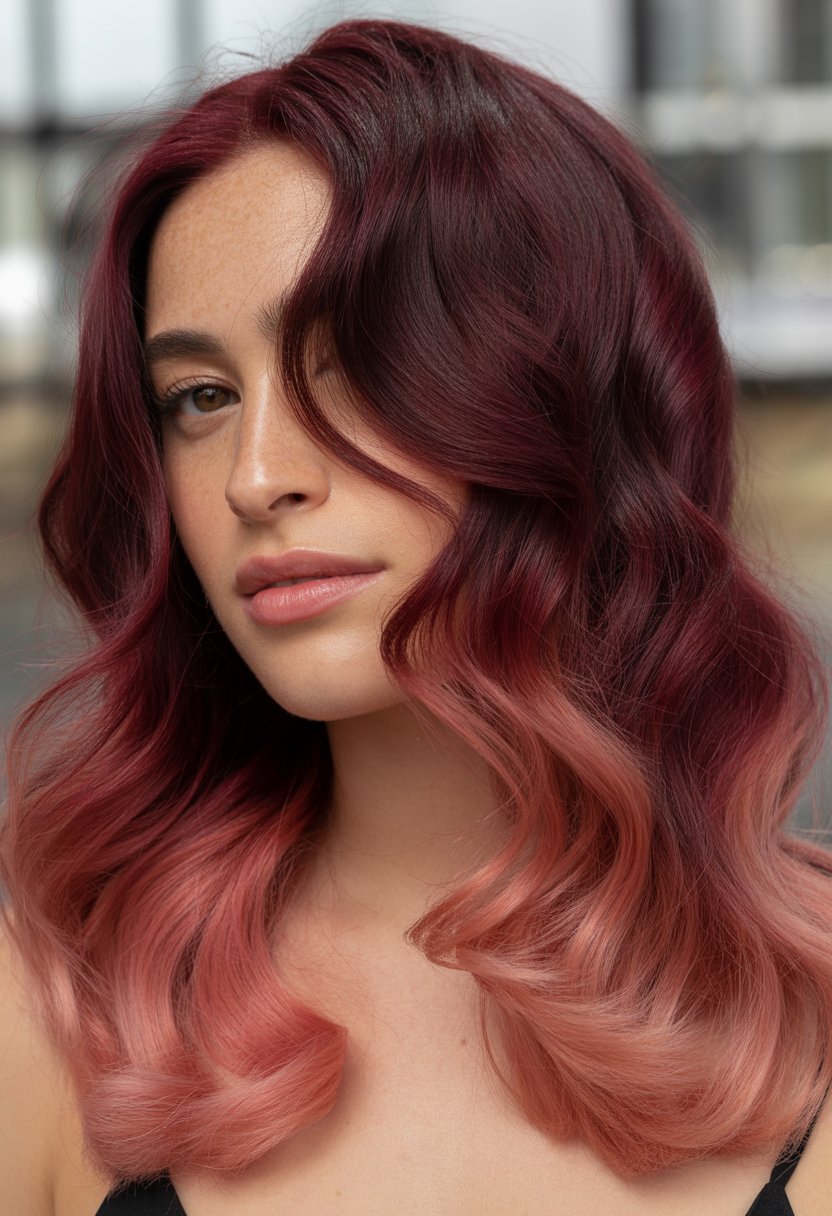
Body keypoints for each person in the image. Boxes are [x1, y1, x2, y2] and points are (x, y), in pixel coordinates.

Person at [1, 16, 831, 1216]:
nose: (255, 475)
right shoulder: (56, 1009)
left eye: (351, 365)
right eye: (198, 396)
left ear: (567, 398)